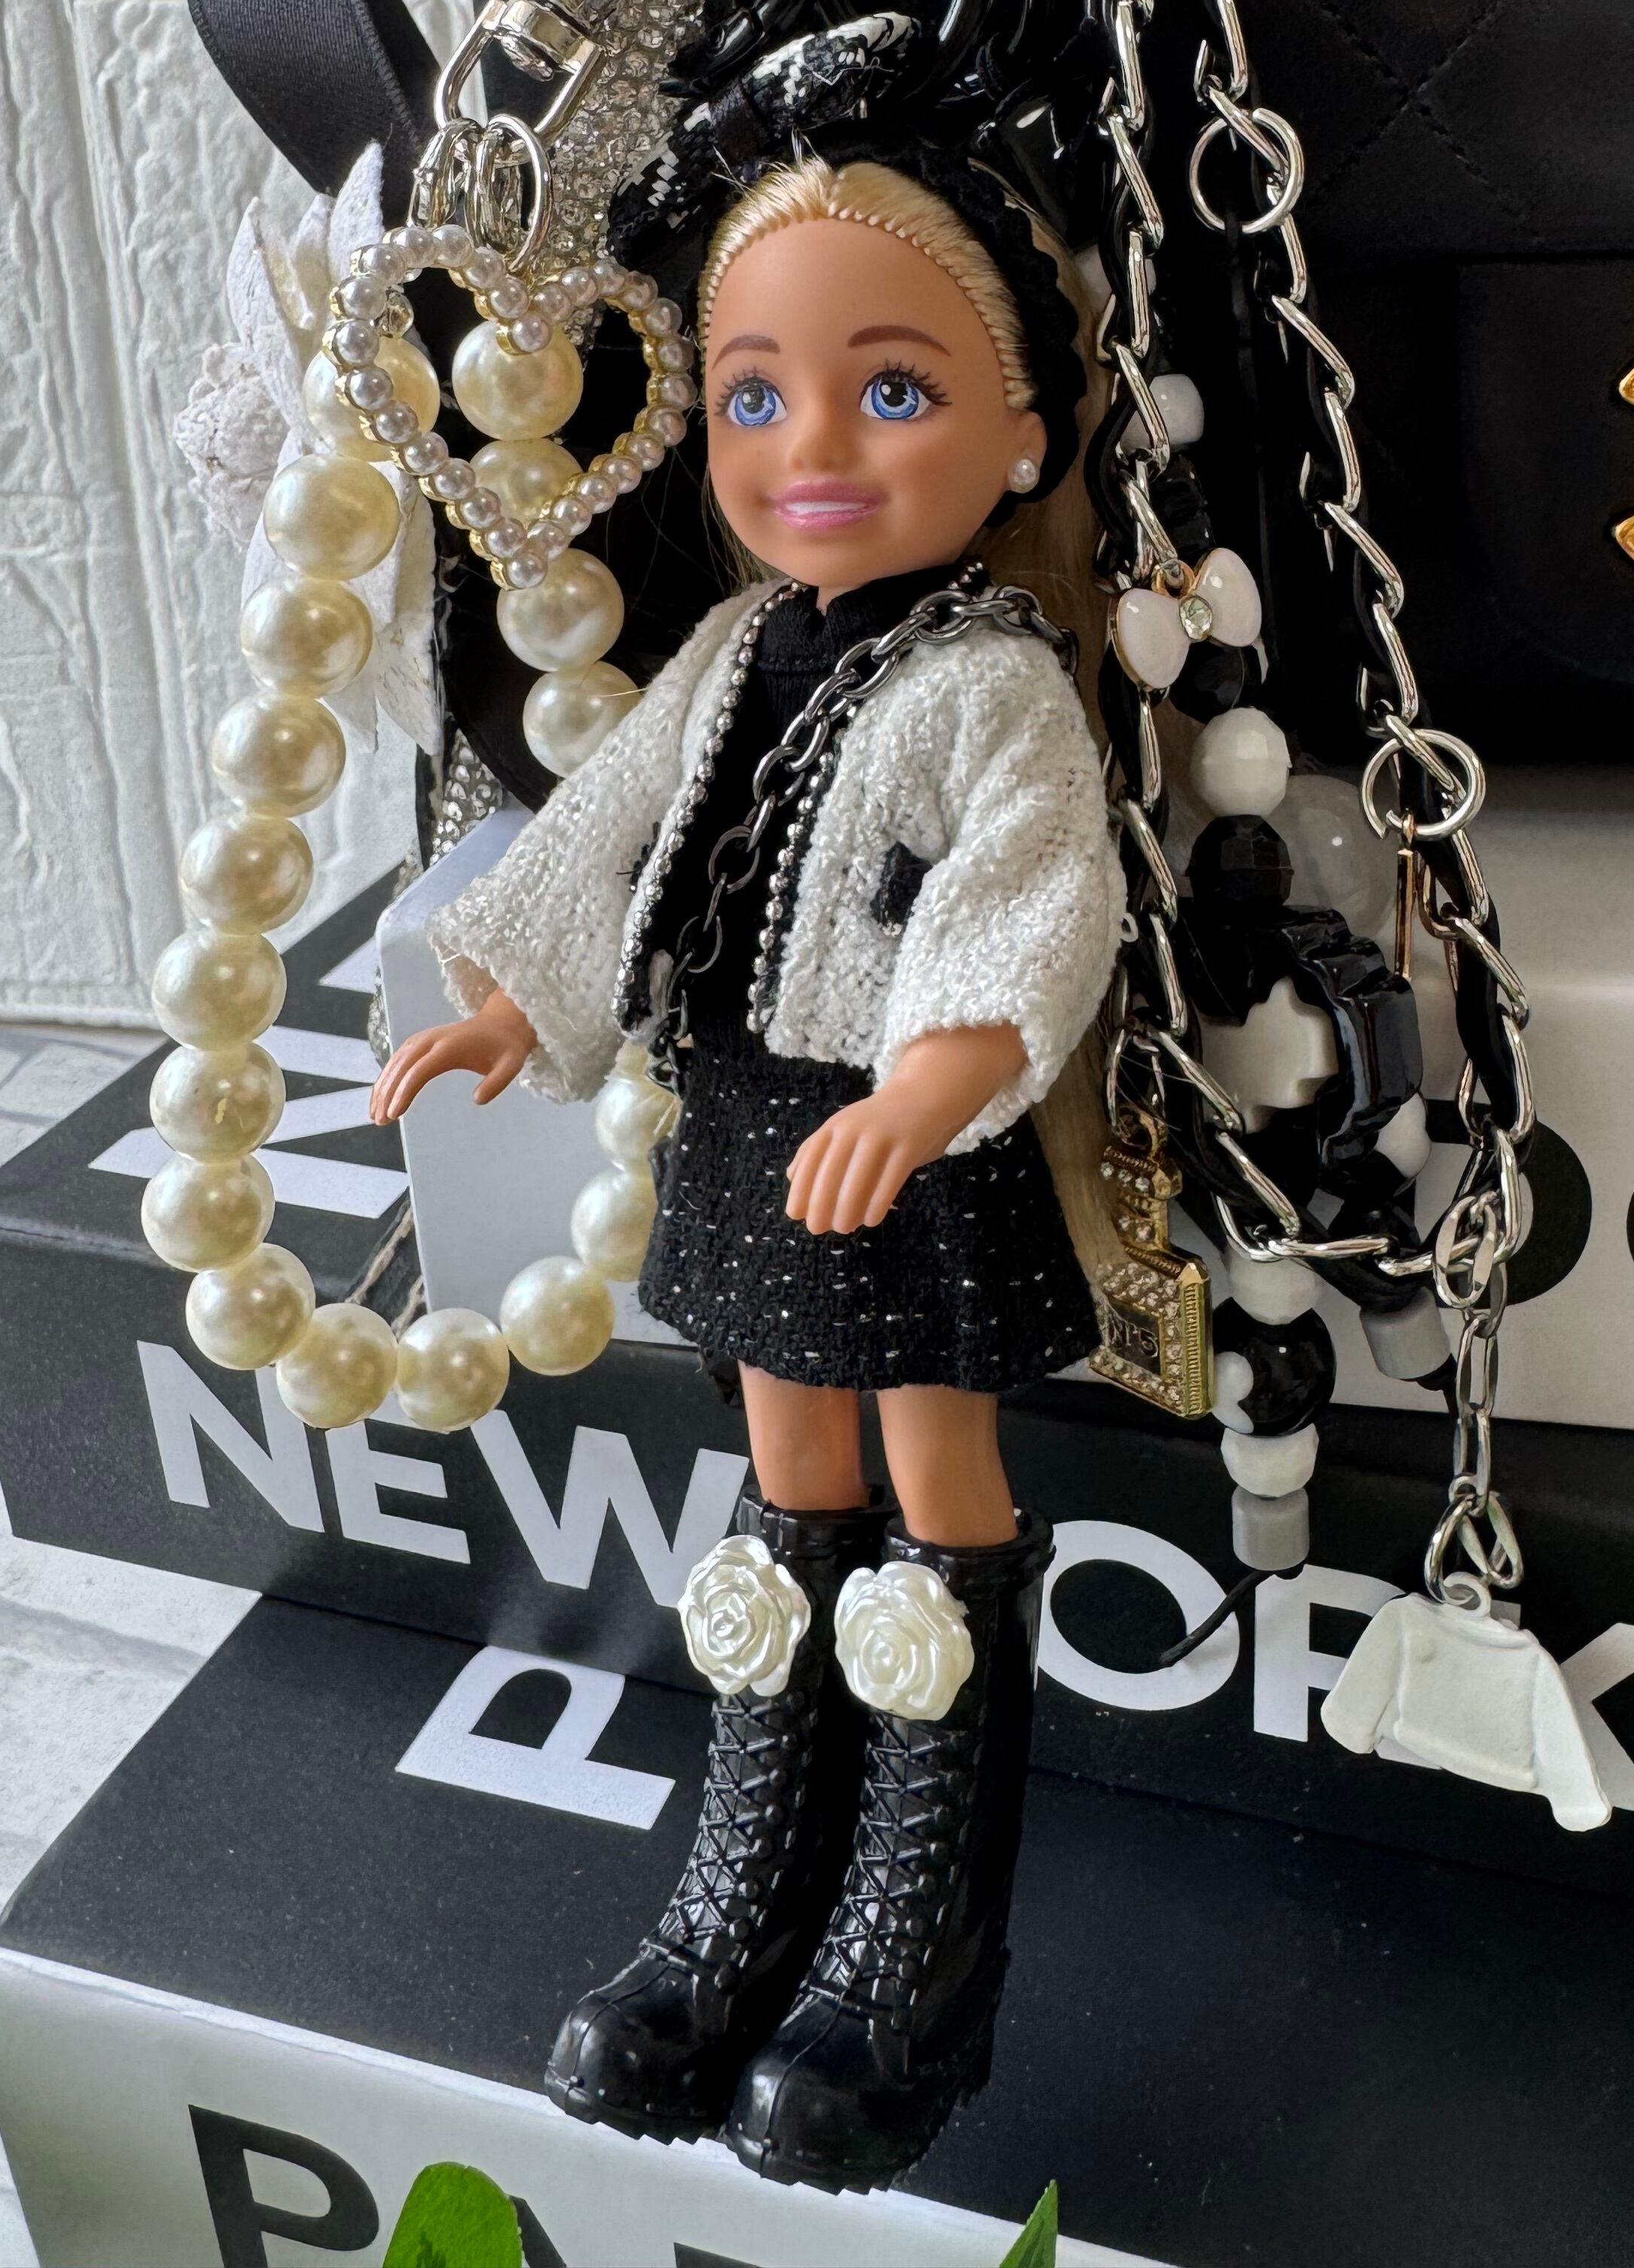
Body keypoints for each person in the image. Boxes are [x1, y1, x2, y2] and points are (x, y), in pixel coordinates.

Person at [369, 144, 1122, 2192]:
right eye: (756, 395)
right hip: (745, 1125)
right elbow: (604, 824)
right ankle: (746, 1901)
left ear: (1024, 432)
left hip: (911, 1145)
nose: (813, 449)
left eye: (895, 391)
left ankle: (914, 1953)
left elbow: (1036, 896)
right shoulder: (732, 650)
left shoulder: (994, 685)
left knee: (939, 1490)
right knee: (786, 1487)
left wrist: (935, 1081)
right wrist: (512, 1002)